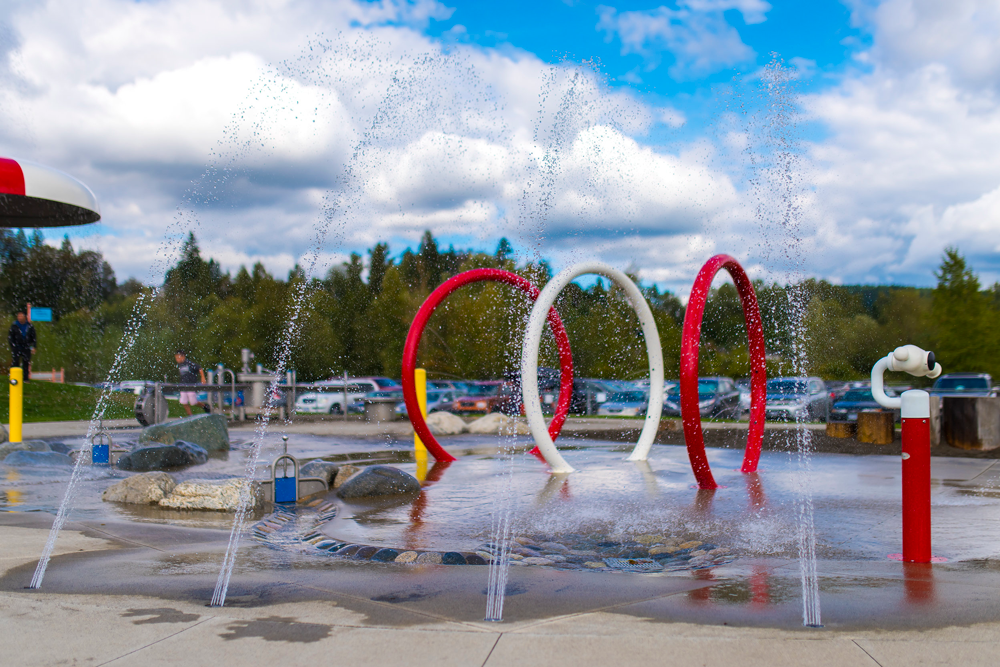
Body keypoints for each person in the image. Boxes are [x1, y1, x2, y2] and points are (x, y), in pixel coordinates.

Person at [175, 350, 208, 415]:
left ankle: (204, 406)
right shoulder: (180, 365)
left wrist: (203, 378)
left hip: (191, 385)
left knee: (193, 402)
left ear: (183, 357)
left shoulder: (189, 363)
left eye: (178, 358)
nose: (177, 360)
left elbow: (199, 368)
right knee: (184, 401)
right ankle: (190, 415)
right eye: (176, 358)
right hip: (183, 385)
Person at [8, 311, 36, 381]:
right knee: (15, 362)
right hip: (17, 347)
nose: (19, 318)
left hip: (26, 347)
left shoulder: (29, 326)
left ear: (25, 317)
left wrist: (34, 346)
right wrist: (13, 346)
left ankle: (25, 379)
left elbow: (34, 337)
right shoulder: (14, 326)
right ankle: (14, 378)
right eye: (18, 316)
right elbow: (10, 337)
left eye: (21, 316)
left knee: (26, 363)